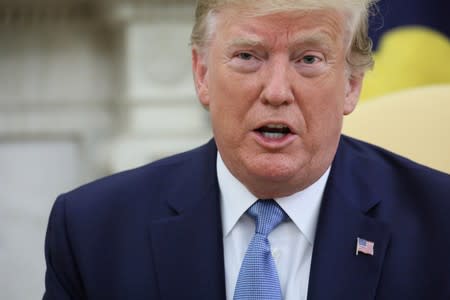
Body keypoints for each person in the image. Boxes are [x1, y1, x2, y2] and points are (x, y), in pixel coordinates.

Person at [43, 0, 450, 299]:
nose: (276, 92)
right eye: (247, 56)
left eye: (308, 59)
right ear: (202, 74)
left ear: (351, 84)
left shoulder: (440, 226)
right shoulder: (92, 231)